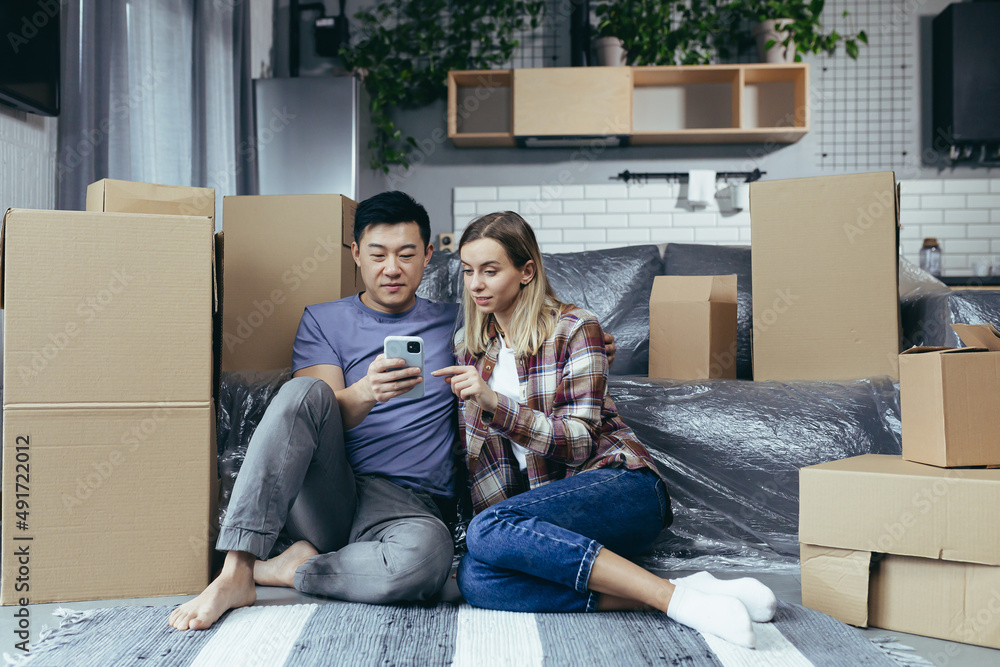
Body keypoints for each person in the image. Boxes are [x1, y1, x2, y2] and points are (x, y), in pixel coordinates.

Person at [168, 192, 616, 631]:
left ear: (427, 256)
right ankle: (237, 572)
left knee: (427, 564)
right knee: (302, 391)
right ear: (356, 254)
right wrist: (365, 391)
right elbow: (314, 413)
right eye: (378, 254)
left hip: (414, 506)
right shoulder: (323, 320)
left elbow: (530, 335)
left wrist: (590, 345)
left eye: (406, 254)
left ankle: (293, 569)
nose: (392, 268)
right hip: (333, 490)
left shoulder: (461, 321)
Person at [432, 211, 777, 649]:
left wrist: (494, 404)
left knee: (488, 530)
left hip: (620, 487)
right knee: (477, 578)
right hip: (545, 519)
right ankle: (681, 593)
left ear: (526, 272)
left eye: (490, 270)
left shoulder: (576, 327)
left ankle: (676, 601)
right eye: (467, 271)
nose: (476, 283)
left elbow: (578, 443)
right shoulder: (469, 348)